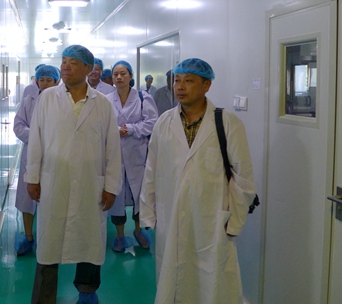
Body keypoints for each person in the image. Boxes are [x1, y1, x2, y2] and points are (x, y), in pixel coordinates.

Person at [139, 58, 256, 304]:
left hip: (211, 220)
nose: (180, 87)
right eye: (177, 81)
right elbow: (152, 170)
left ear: (206, 85)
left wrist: (235, 222)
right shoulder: (164, 122)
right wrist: (148, 212)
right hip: (171, 215)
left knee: (212, 283)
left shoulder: (227, 123)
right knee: (172, 281)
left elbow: (243, 178)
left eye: (189, 81)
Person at [25, 45, 122, 304]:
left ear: (88, 69)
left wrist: (111, 186)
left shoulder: (102, 104)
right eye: (64, 61)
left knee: (89, 239)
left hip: (91, 183)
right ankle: (44, 298)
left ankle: (87, 291)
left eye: (73, 62)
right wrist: (32, 177)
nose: (65, 66)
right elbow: (36, 140)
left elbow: (112, 148)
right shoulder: (47, 99)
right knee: (48, 243)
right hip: (53, 180)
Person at [106, 61, 158, 252]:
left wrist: (131, 129)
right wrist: (116, 130)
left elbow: (153, 122)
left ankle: (138, 230)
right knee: (117, 195)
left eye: (123, 73)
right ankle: (120, 236)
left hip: (137, 156)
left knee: (139, 195)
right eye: (115, 74)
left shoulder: (143, 98)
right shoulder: (106, 100)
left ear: (131, 76)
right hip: (114, 155)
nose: (119, 77)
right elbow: (101, 124)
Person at [13, 65, 60, 255]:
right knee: (27, 198)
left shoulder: (64, 102)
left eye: (49, 80)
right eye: (42, 80)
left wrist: (49, 137)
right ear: (37, 81)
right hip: (30, 154)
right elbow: (18, 126)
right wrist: (37, 137)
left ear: (57, 82)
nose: (45, 83)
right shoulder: (28, 101)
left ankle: (50, 238)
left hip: (55, 154)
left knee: (53, 197)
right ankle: (28, 236)